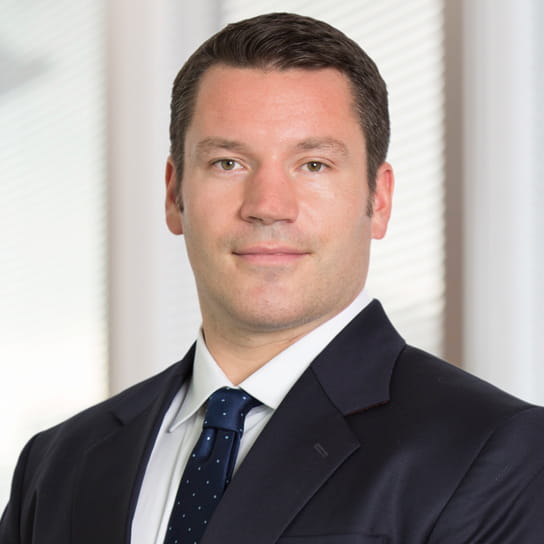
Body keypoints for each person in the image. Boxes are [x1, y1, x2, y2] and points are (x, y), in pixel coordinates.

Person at [1, 12, 543, 544]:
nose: (267, 206)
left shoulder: (495, 451)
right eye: (228, 163)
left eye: (313, 165)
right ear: (174, 194)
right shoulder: (56, 464)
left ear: (378, 200)